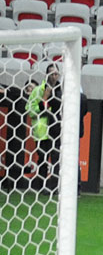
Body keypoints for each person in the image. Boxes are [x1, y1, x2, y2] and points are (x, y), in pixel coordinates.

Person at [27, 64, 62, 193]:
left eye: (56, 73)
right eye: (52, 73)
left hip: (56, 129)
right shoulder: (38, 90)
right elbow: (29, 109)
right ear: (46, 74)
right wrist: (42, 111)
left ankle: (54, 187)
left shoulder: (61, 90)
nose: (54, 76)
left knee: (55, 159)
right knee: (42, 159)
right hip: (42, 131)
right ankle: (41, 186)